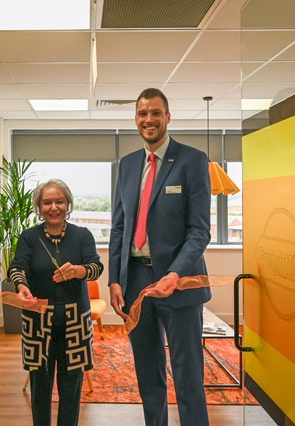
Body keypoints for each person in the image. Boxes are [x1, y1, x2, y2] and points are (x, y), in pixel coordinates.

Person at [108, 88, 212, 426]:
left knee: (188, 373)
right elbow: (119, 228)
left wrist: (176, 274)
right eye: (142, 114)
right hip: (136, 281)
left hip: (178, 284)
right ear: (135, 119)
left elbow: (199, 231)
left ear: (168, 117)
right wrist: (114, 279)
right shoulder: (127, 165)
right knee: (147, 370)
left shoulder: (192, 160)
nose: (148, 120)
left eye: (155, 113)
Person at [9, 179, 103, 426]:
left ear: (68, 204)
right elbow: (17, 268)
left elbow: (96, 267)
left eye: (59, 201)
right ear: (39, 207)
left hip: (76, 323)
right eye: (47, 202)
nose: (54, 207)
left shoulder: (82, 235)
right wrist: (22, 287)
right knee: (40, 387)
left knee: (72, 387)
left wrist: (79, 271)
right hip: (38, 319)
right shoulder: (29, 237)